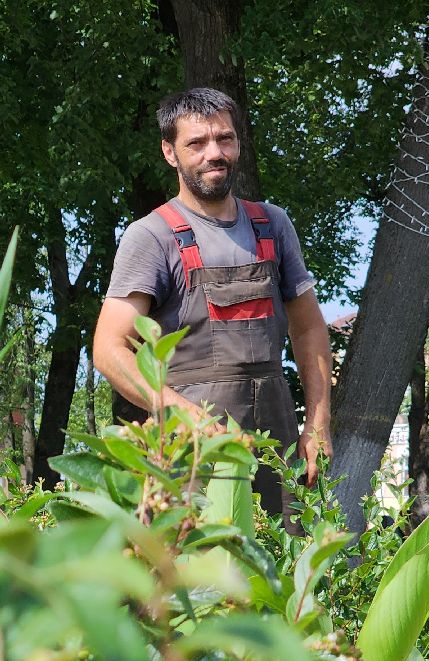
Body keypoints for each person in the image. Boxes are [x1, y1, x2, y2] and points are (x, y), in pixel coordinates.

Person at [92, 87, 333, 514]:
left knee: (285, 550)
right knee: (198, 553)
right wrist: (183, 413)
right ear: (170, 152)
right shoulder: (152, 236)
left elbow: (309, 328)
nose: (214, 153)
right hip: (192, 451)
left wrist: (317, 423)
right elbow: (108, 350)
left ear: (239, 143)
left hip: (276, 443)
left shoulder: (272, 225)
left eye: (225, 139)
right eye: (197, 143)